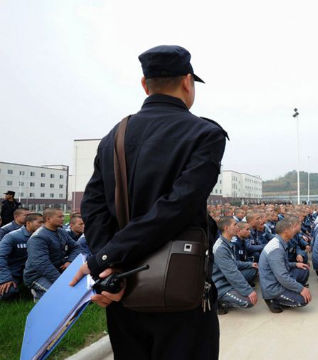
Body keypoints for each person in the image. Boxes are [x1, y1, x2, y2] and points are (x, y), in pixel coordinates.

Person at [71, 45, 226, 359]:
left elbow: (93, 206)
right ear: (187, 81)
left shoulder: (114, 136)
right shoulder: (205, 134)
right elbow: (176, 208)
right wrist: (107, 260)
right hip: (180, 290)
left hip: (123, 289)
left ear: (145, 85)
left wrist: (108, 263)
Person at [24, 208, 81, 300]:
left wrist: (69, 261)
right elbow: (42, 264)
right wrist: (61, 281)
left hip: (58, 270)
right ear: (48, 219)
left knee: (79, 290)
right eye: (59, 217)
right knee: (61, 295)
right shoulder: (38, 238)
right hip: (37, 276)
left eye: (63, 216)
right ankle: (37, 294)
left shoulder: (61, 232)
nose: (63, 219)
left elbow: (76, 247)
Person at [258, 217, 311, 313]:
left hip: (278, 279)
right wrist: (301, 289)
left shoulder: (280, 242)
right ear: (286, 231)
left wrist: (295, 264)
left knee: (303, 269)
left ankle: (291, 291)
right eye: (292, 228)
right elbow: (282, 276)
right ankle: (273, 300)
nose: (294, 230)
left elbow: (283, 265)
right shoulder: (276, 249)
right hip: (273, 287)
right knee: (304, 300)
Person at [212, 217, 258, 314]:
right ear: (226, 228)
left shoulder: (228, 243)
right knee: (249, 301)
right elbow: (231, 272)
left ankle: (234, 290)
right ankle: (219, 301)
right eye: (235, 225)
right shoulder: (221, 248)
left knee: (252, 270)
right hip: (221, 284)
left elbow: (234, 263)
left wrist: (250, 264)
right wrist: (248, 290)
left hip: (227, 279)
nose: (237, 227)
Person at [0, 213, 43, 300]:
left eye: (43, 223)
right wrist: (6, 279)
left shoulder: (43, 237)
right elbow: (1, 257)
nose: (42, 225)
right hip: (14, 272)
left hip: (33, 272)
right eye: (39, 222)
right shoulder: (12, 236)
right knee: (8, 292)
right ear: (28, 223)